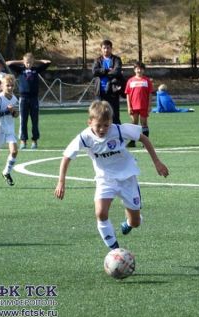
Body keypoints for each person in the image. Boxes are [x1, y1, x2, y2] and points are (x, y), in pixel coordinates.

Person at [54, 100, 169, 250]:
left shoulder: (120, 130)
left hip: (127, 178)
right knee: (100, 212)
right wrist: (61, 181)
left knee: (135, 223)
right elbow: (67, 157)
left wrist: (157, 162)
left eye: (106, 125)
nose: (102, 129)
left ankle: (128, 222)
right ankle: (115, 250)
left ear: (111, 122)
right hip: (105, 179)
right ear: (90, 122)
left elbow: (144, 139)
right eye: (98, 126)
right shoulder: (84, 137)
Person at [7, 53, 51, 150]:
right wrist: (22, 61)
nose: (28, 64)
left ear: (33, 62)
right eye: (26, 62)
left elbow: (48, 62)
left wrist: (36, 61)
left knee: (35, 120)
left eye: (30, 62)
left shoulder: (36, 70)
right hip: (23, 98)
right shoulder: (21, 70)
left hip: (34, 99)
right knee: (23, 120)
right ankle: (23, 141)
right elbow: (8, 63)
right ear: (24, 62)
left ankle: (34, 141)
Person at [92, 39, 124, 125]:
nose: (106, 50)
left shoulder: (116, 59)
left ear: (111, 48)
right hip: (100, 92)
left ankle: (118, 137)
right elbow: (94, 71)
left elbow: (117, 71)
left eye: (108, 48)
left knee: (115, 117)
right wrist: (107, 70)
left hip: (112, 92)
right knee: (99, 115)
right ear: (101, 49)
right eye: (104, 48)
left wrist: (102, 72)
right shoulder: (97, 60)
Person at [124, 61, 153, 147]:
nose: (139, 70)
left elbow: (150, 94)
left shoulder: (147, 81)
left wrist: (149, 105)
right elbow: (128, 94)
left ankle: (145, 143)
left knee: (144, 123)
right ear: (134, 70)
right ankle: (132, 142)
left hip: (143, 106)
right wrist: (129, 106)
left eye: (140, 69)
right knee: (134, 124)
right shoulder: (130, 81)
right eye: (137, 69)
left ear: (143, 70)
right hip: (133, 106)